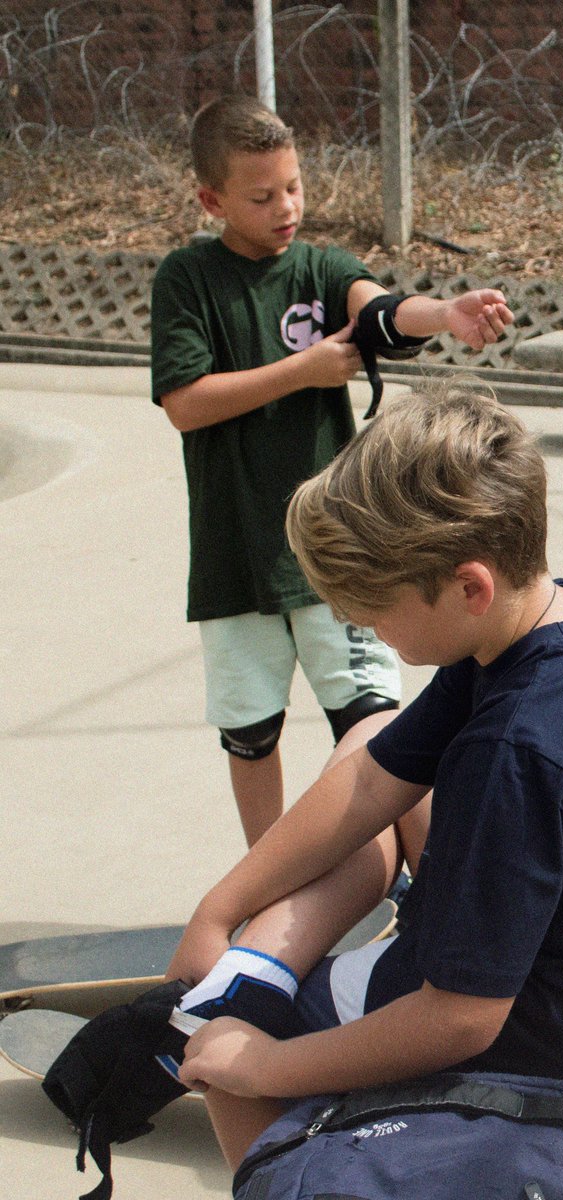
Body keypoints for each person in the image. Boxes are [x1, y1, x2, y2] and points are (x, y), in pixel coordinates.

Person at [163, 382, 563, 1171]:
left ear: (469, 586)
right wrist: (218, 908)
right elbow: (375, 775)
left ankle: (295, 1165)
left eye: (374, 607)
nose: (362, 625)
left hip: (545, 1059)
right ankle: (256, 960)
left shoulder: (517, 751)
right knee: (370, 733)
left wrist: (263, 1065)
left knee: (217, 1053)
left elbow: (462, 1019)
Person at [151, 94, 514, 845]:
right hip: (235, 555)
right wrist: (303, 370)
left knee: (378, 724)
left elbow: (379, 311)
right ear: (210, 198)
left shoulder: (321, 268)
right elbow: (186, 403)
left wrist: (444, 312)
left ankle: (430, 880)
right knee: (250, 734)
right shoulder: (188, 279)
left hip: (340, 549)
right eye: (262, 196)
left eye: (294, 187)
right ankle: (268, 876)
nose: (286, 207)